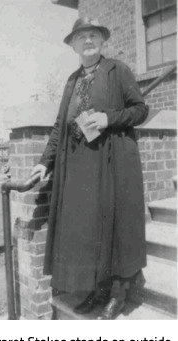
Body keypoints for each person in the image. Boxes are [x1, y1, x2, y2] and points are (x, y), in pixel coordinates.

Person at [31, 17, 149, 320]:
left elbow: (140, 109)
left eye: (93, 35)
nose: (87, 41)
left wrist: (108, 119)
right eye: (81, 37)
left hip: (112, 164)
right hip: (79, 169)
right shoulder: (72, 80)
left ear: (102, 41)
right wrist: (45, 162)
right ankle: (92, 289)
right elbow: (60, 125)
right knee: (87, 231)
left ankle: (117, 295)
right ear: (73, 44)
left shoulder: (117, 71)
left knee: (117, 228)